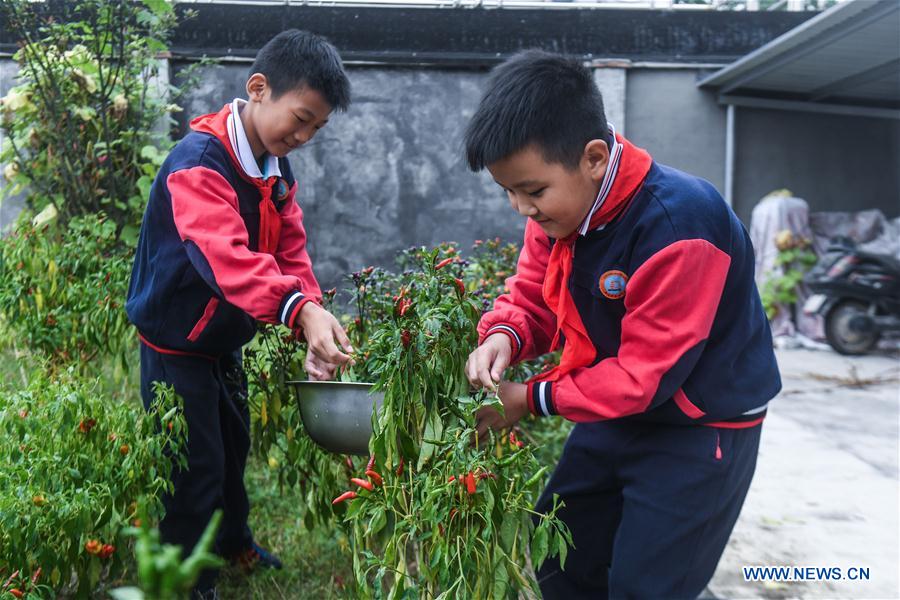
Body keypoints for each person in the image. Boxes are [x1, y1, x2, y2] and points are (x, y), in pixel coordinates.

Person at [464, 50, 781, 599]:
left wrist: (531, 398)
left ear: (593, 157)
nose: (521, 209)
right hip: (616, 404)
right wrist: (503, 335)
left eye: (532, 191)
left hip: (700, 424)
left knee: (648, 585)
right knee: (558, 551)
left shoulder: (680, 226)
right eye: (508, 191)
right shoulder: (563, 211)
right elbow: (534, 296)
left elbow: (645, 377)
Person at [125, 29, 353, 597]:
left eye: (316, 128)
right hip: (176, 341)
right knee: (191, 462)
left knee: (230, 444)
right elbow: (224, 259)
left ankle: (232, 542)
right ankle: (187, 576)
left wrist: (312, 311)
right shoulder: (199, 163)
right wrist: (296, 311)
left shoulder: (273, 167)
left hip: (222, 337)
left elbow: (289, 247)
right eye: (300, 118)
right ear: (258, 89)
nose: (303, 135)